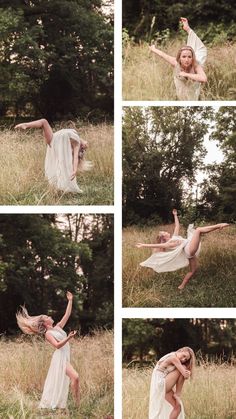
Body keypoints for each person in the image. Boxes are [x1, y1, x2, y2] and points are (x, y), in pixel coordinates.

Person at [16, 291, 80, 409]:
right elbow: (57, 345)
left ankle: (74, 405)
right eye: (47, 317)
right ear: (45, 323)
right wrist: (69, 337)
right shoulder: (48, 334)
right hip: (59, 358)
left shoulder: (58, 327)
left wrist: (70, 300)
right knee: (75, 377)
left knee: (74, 378)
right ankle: (77, 405)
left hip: (65, 356)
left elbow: (67, 314)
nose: (49, 317)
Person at [136, 209, 229, 289]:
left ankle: (181, 286)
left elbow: (177, 226)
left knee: (192, 270)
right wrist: (143, 245)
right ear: (163, 237)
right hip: (189, 248)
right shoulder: (169, 243)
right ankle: (219, 225)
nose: (166, 232)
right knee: (198, 230)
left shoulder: (174, 237)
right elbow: (155, 246)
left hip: (189, 251)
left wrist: (175, 215)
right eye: (164, 232)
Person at [15, 119, 91, 193]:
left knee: (44, 122)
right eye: (86, 144)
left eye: (84, 147)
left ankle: (60, 186)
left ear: (81, 147)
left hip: (54, 142)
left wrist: (74, 170)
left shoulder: (76, 143)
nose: (85, 144)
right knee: (44, 121)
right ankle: (26, 125)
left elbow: (75, 159)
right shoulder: (75, 135)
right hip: (53, 138)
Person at [149, 17, 207, 100]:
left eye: (189, 57)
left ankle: (187, 28)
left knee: (192, 98)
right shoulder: (176, 62)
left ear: (192, 58)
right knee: (182, 97)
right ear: (179, 58)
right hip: (181, 85)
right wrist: (154, 49)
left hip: (193, 87)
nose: (187, 60)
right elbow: (163, 55)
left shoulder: (196, 64)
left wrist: (186, 74)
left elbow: (204, 79)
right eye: (184, 57)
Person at [149, 347, 195, 419]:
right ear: (181, 350)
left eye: (186, 359)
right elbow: (184, 374)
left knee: (178, 408)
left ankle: (177, 395)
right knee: (184, 367)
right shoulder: (173, 358)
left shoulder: (175, 359)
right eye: (184, 356)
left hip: (164, 386)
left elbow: (184, 375)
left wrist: (186, 373)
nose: (183, 359)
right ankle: (177, 394)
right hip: (160, 383)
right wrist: (187, 373)